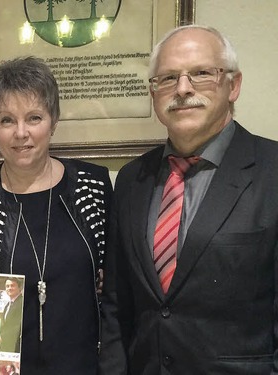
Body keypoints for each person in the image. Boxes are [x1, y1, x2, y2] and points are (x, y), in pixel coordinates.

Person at [99, 25, 278, 374]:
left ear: (233, 85)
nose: (183, 88)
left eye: (201, 73)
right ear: (153, 94)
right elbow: (116, 305)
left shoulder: (272, 171)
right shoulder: (132, 179)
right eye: (167, 78)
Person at [0, 57, 111, 373]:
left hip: (85, 365)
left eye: (34, 117)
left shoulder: (94, 184)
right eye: (7, 120)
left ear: (53, 120)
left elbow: (115, 283)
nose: (21, 133)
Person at [0, 278, 23, 353]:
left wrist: (2, 336)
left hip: (15, 347)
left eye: (12, 286)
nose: (9, 288)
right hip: (5, 347)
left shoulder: (22, 303)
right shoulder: (7, 305)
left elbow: (18, 326)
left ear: (19, 288)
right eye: (7, 286)